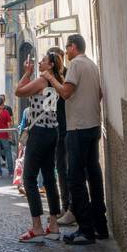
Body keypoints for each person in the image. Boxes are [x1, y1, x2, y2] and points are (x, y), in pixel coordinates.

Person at [45, 34, 107, 245]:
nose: (66, 51)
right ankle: (100, 224)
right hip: (93, 125)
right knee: (94, 174)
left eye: (67, 47)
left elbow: (66, 92)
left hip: (78, 128)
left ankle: (85, 229)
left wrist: (51, 78)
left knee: (76, 178)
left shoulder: (76, 65)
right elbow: (98, 93)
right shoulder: (92, 65)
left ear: (73, 47)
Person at [14, 50, 63, 243]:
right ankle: (53, 226)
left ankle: (37, 228)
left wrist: (27, 73)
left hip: (39, 133)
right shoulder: (56, 79)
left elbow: (19, 91)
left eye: (43, 61)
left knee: (29, 179)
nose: (40, 63)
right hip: (52, 131)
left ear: (50, 65)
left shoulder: (43, 80)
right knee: (49, 179)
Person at [48, 47, 75, 226]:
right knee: (62, 169)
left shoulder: (65, 76)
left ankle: (70, 207)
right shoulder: (50, 80)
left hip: (67, 127)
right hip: (59, 129)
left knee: (66, 170)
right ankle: (66, 207)